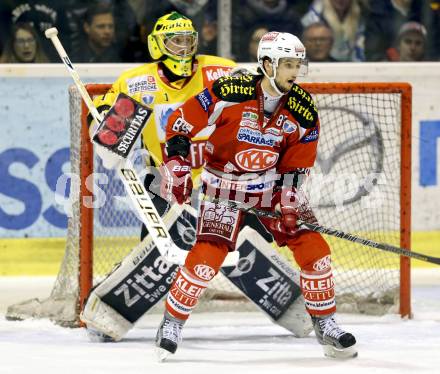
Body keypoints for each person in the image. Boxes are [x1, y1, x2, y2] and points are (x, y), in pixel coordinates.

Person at [81, 12, 312, 343]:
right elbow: (105, 120)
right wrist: (103, 125)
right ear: (157, 45)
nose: (184, 47)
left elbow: (258, 102)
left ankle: (297, 305)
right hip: (166, 182)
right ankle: (109, 312)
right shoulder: (136, 82)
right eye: (176, 41)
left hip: (222, 182)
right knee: (163, 248)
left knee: (248, 244)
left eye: (190, 39)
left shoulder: (218, 69)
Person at [156, 31, 357, 360]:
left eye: (298, 65)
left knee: (315, 248)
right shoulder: (229, 91)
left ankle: (326, 323)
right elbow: (180, 122)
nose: (295, 71)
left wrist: (288, 200)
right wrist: (176, 163)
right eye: (288, 64)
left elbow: (297, 164)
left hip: (272, 188)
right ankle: (172, 323)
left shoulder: (304, 109)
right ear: (267, 64)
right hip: (224, 185)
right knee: (207, 256)